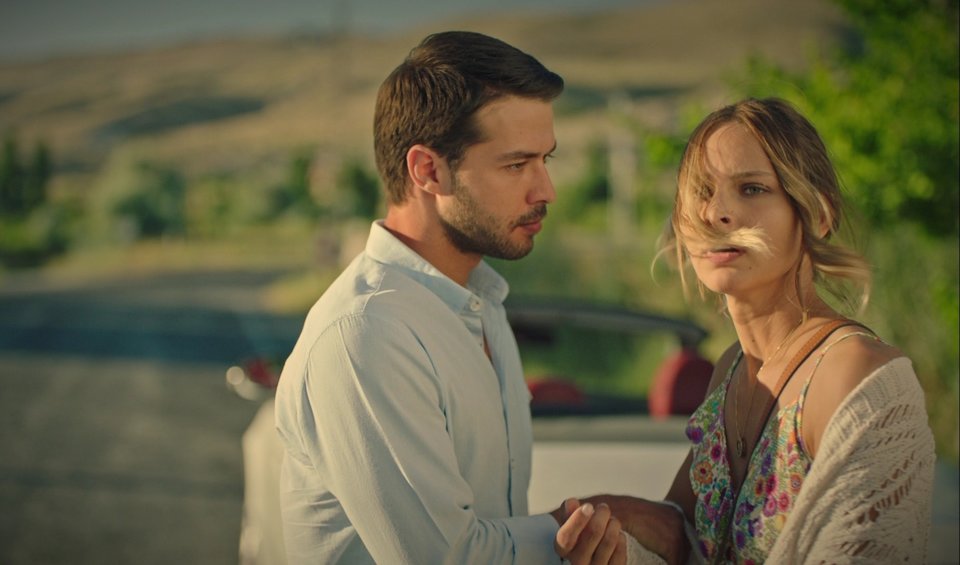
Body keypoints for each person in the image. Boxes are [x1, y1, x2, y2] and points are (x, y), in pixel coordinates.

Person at [273, 30, 625, 564]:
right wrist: (592, 526)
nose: (546, 191)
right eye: (516, 165)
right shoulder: (367, 334)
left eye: (545, 160)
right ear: (428, 170)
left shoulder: (481, 304)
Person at [558, 98, 937, 564]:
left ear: (818, 215)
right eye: (702, 191)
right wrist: (612, 530)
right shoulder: (730, 371)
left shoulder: (858, 376)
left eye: (752, 189)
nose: (716, 213)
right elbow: (683, 539)